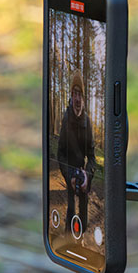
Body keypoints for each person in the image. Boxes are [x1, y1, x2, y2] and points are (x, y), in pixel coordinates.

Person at [57, 71, 96, 236]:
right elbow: (60, 154)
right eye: (74, 94)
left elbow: (92, 156)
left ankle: (83, 236)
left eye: (80, 94)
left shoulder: (87, 121)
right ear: (71, 96)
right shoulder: (66, 120)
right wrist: (69, 175)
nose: (78, 99)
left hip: (83, 171)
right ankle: (68, 237)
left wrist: (87, 175)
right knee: (71, 209)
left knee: (84, 208)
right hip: (70, 171)